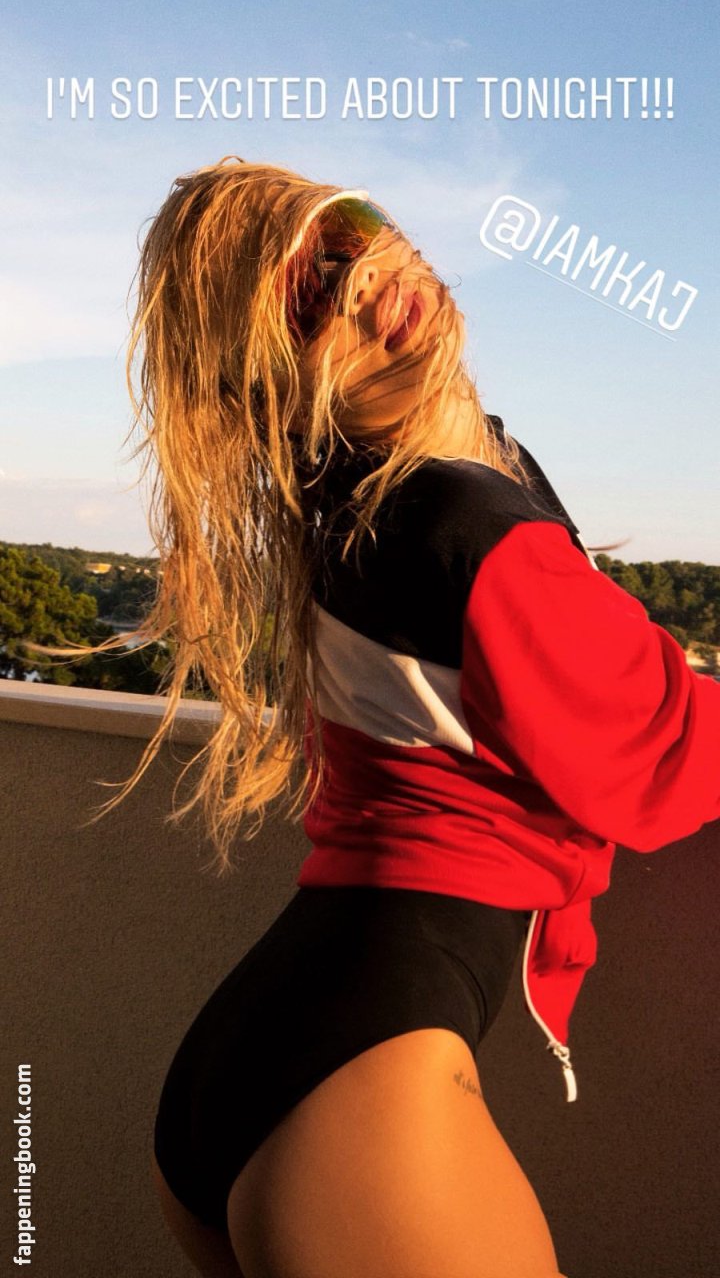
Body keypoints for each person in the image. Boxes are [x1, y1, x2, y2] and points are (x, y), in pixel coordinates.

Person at [32, 156, 720, 1278]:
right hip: (364, 1096)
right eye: (303, 297)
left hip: (279, 1044)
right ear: (272, 376)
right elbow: (666, 754)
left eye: (347, 226)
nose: (354, 273)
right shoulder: (459, 520)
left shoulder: (372, 496)